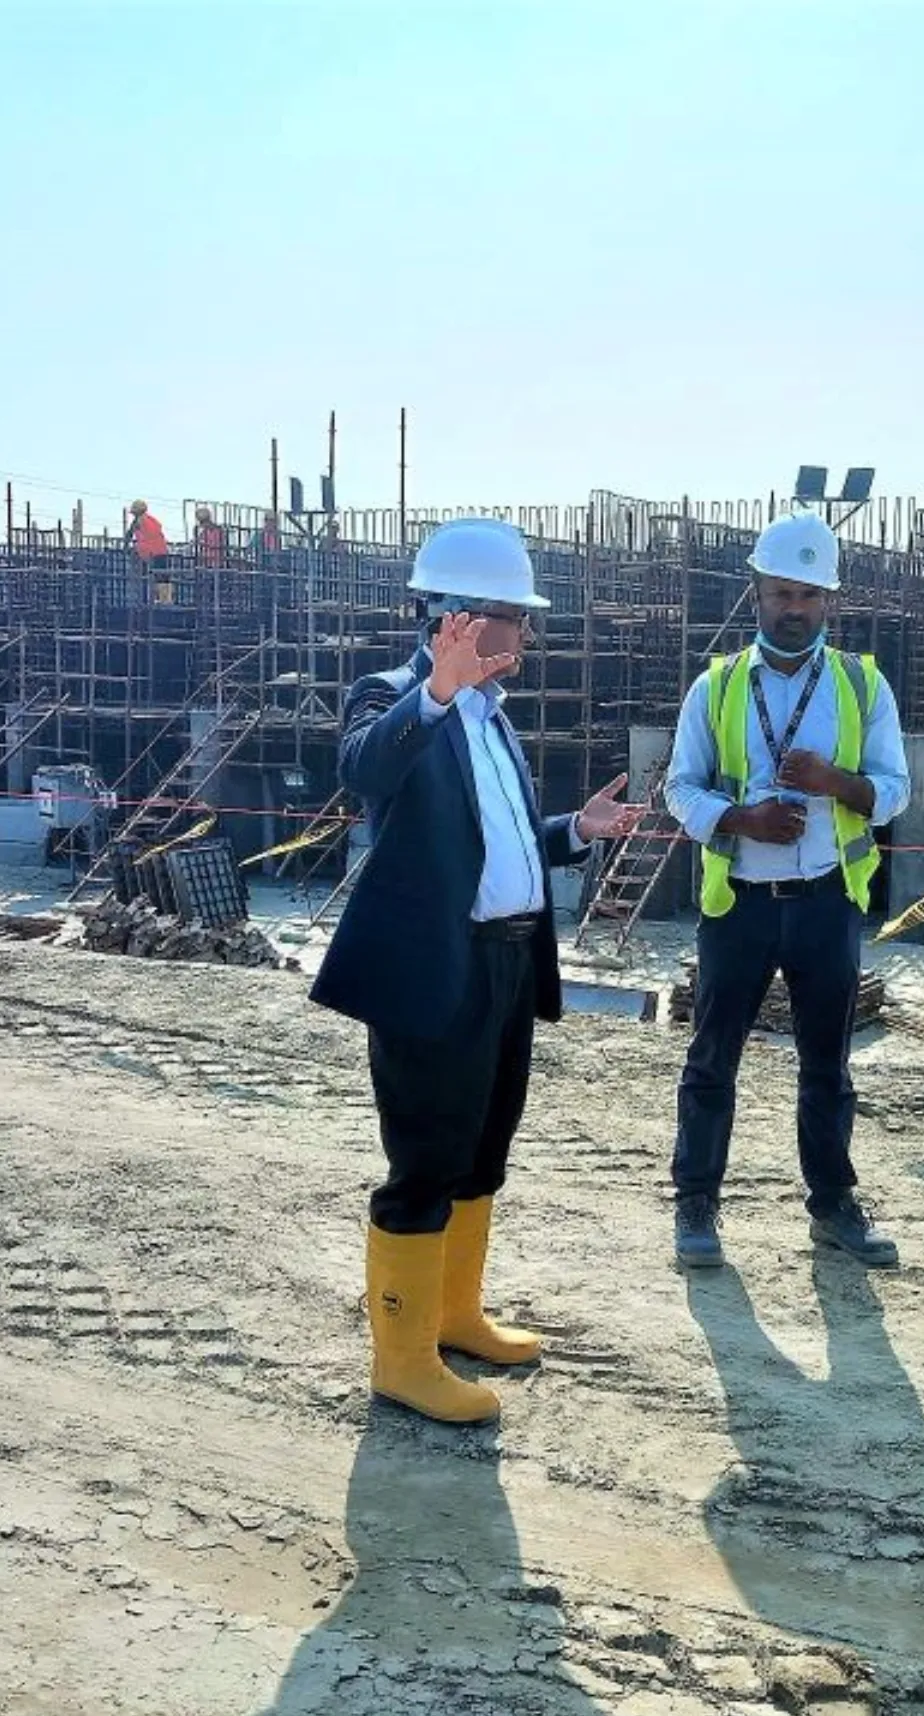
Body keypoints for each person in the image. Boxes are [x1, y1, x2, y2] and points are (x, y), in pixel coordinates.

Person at [310, 517, 641, 1424]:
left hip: (503, 965)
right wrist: (435, 696)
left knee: (481, 1152)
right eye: (513, 617)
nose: (526, 635)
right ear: (456, 618)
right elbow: (361, 770)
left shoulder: (494, 721)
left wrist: (575, 833)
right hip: (434, 973)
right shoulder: (391, 698)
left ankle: (454, 1316)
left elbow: (491, 847)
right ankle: (403, 1359)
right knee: (423, 1162)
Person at [662, 511, 911, 1272]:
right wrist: (742, 818)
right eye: (779, 592)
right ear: (756, 594)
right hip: (738, 903)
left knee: (827, 1067)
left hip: (826, 903)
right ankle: (696, 1203)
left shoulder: (862, 687)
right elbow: (679, 789)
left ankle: (833, 1205)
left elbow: (898, 789)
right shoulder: (718, 686)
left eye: (807, 594)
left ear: (828, 600)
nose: (793, 608)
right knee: (712, 1061)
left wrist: (836, 783)